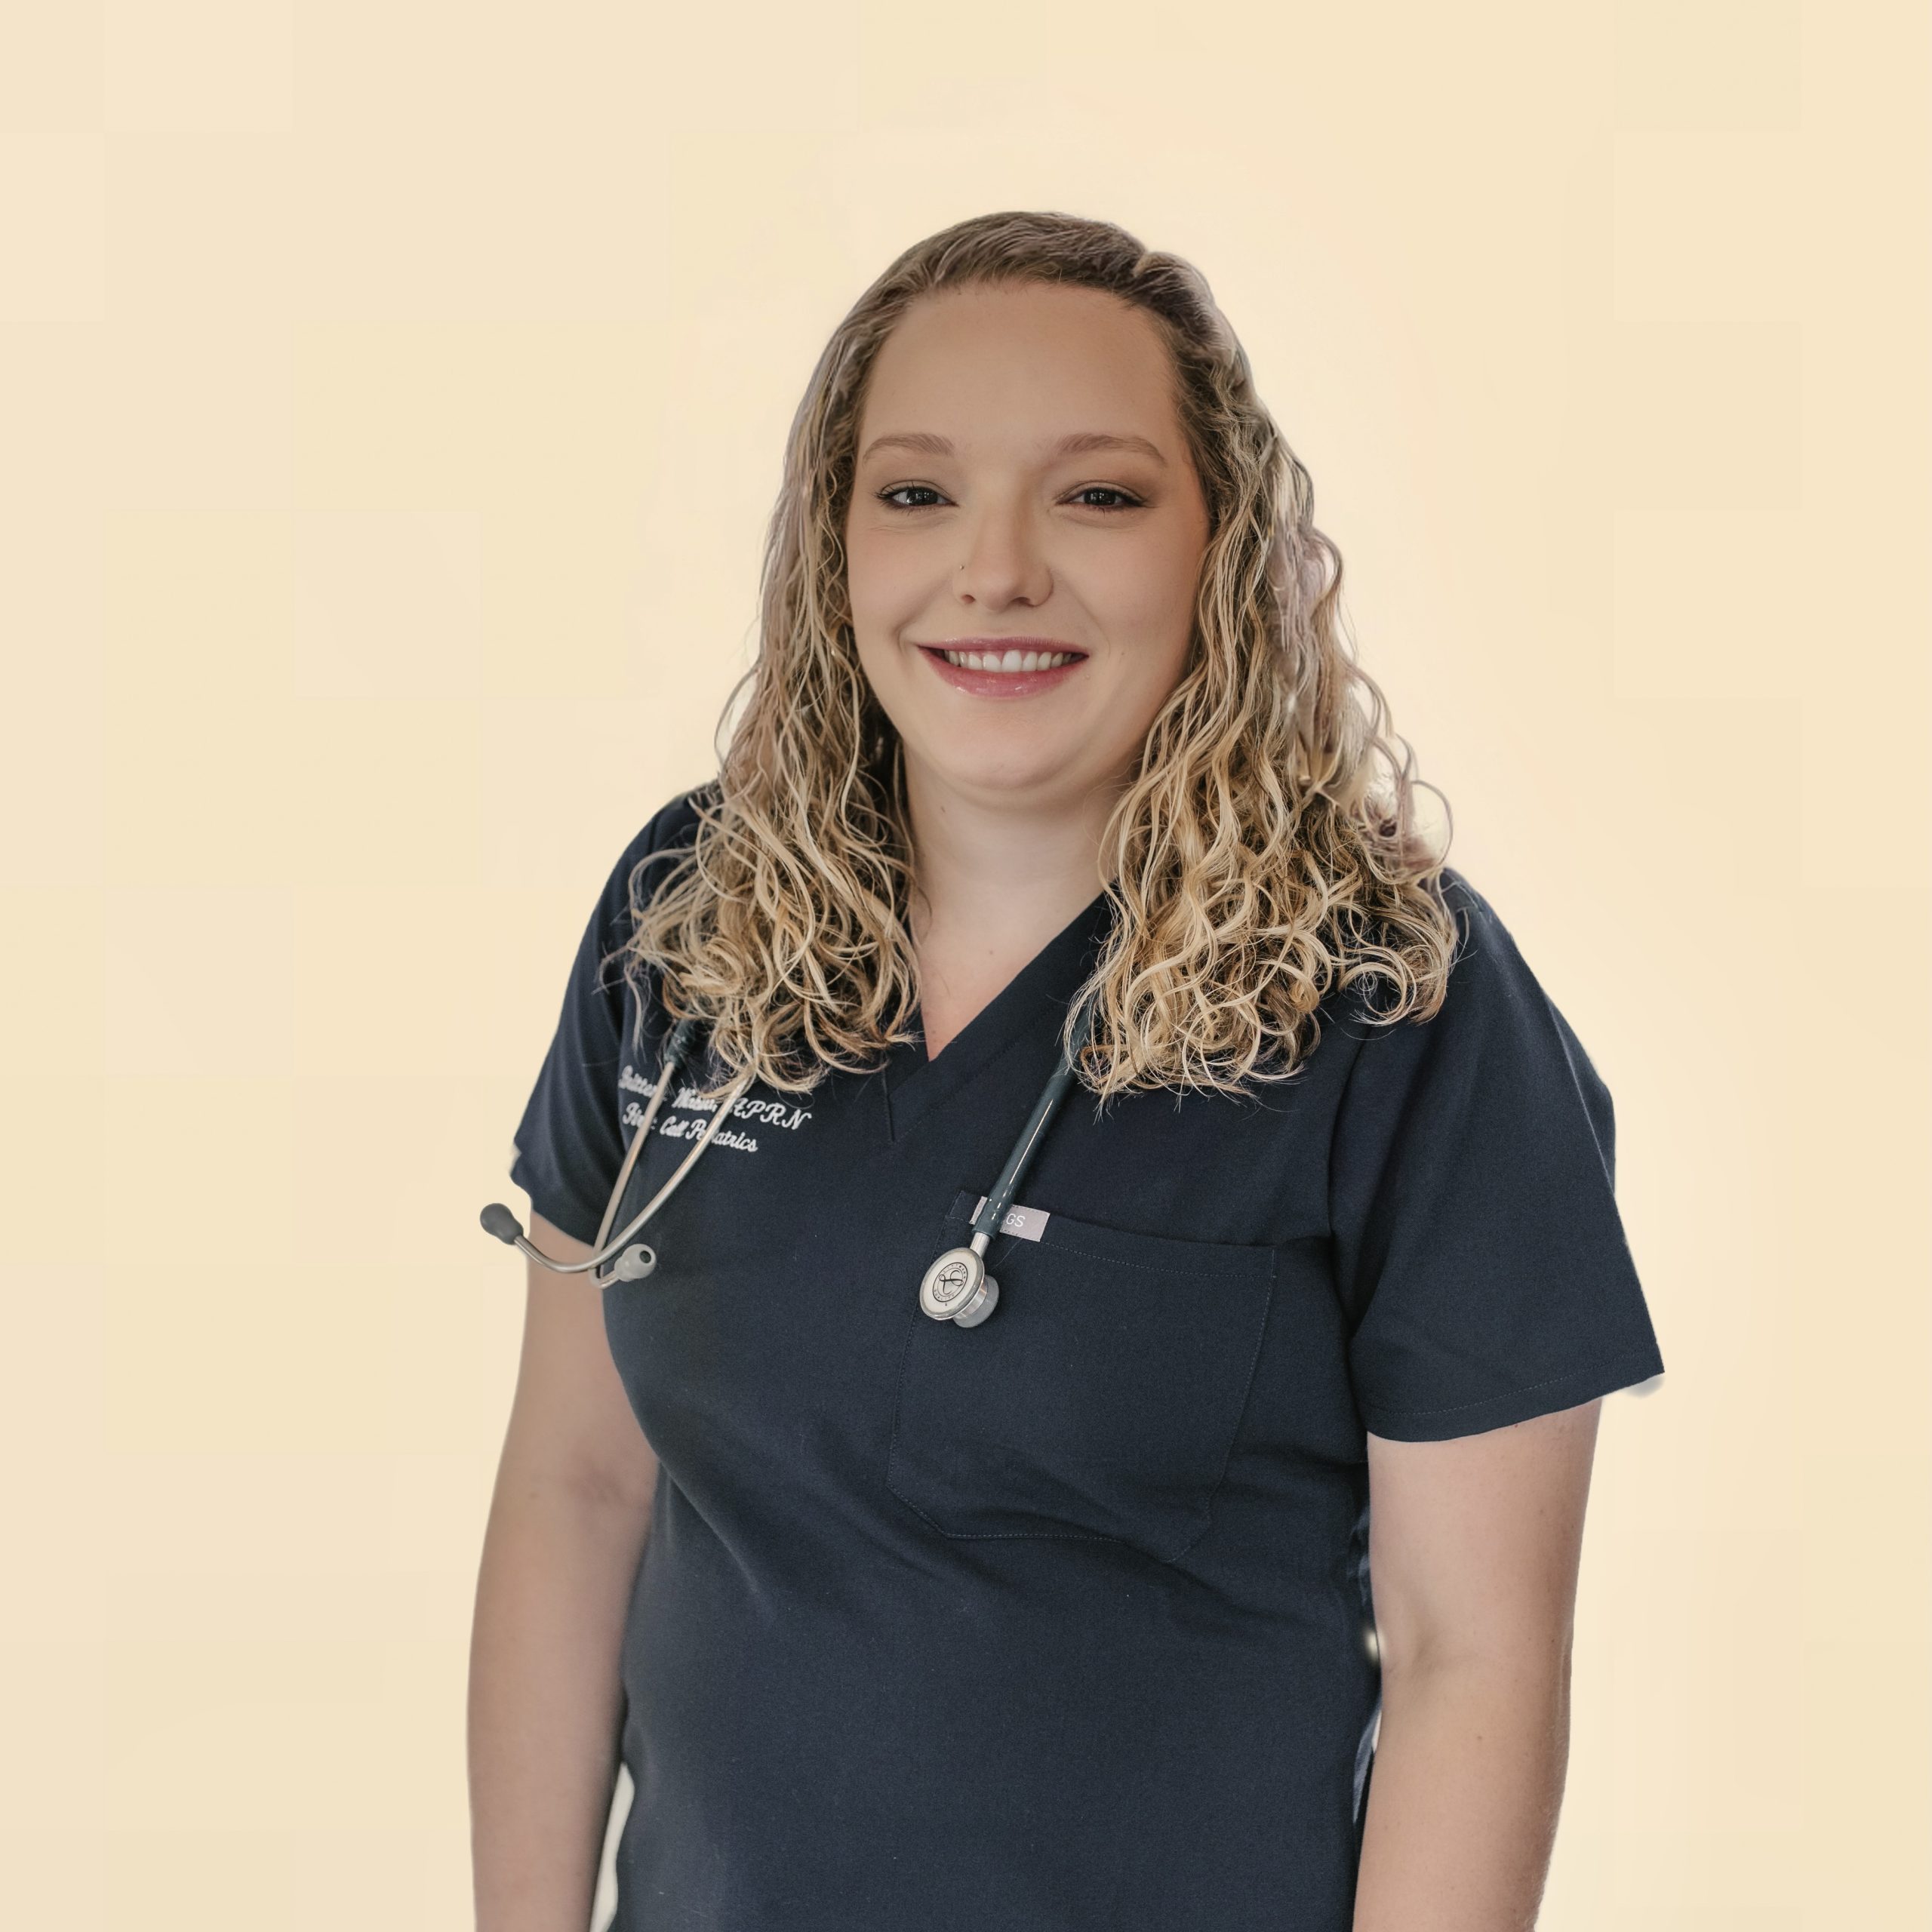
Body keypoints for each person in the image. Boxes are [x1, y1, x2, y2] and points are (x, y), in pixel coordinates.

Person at [468, 210, 1666, 1932]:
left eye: (1096, 493)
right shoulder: (687, 925)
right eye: (915, 490)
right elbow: (577, 1488)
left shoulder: (1400, 1007)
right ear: (832, 543)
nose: (997, 569)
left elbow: (1473, 1654)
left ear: (1222, 546)